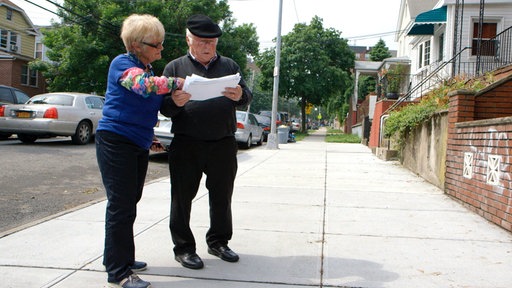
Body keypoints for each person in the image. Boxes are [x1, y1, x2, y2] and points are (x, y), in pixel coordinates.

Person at [96, 14, 183, 288]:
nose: (161, 49)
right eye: (155, 44)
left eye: (161, 43)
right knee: (121, 206)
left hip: (137, 142)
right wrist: (177, 83)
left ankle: (120, 256)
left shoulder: (146, 70)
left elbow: (147, 106)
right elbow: (144, 88)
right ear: (136, 45)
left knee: (129, 203)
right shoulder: (123, 65)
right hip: (116, 141)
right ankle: (119, 272)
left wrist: (175, 102)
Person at [161, 14, 252, 270]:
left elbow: (246, 95)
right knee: (182, 198)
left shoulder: (230, 66)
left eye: (212, 42)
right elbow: (163, 107)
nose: (207, 46)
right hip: (186, 143)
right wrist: (174, 103)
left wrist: (240, 94)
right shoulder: (174, 68)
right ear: (189, 39)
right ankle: (184, 248)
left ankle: (219, 242)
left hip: (222, 142)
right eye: (201, 41)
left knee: (222, 196)